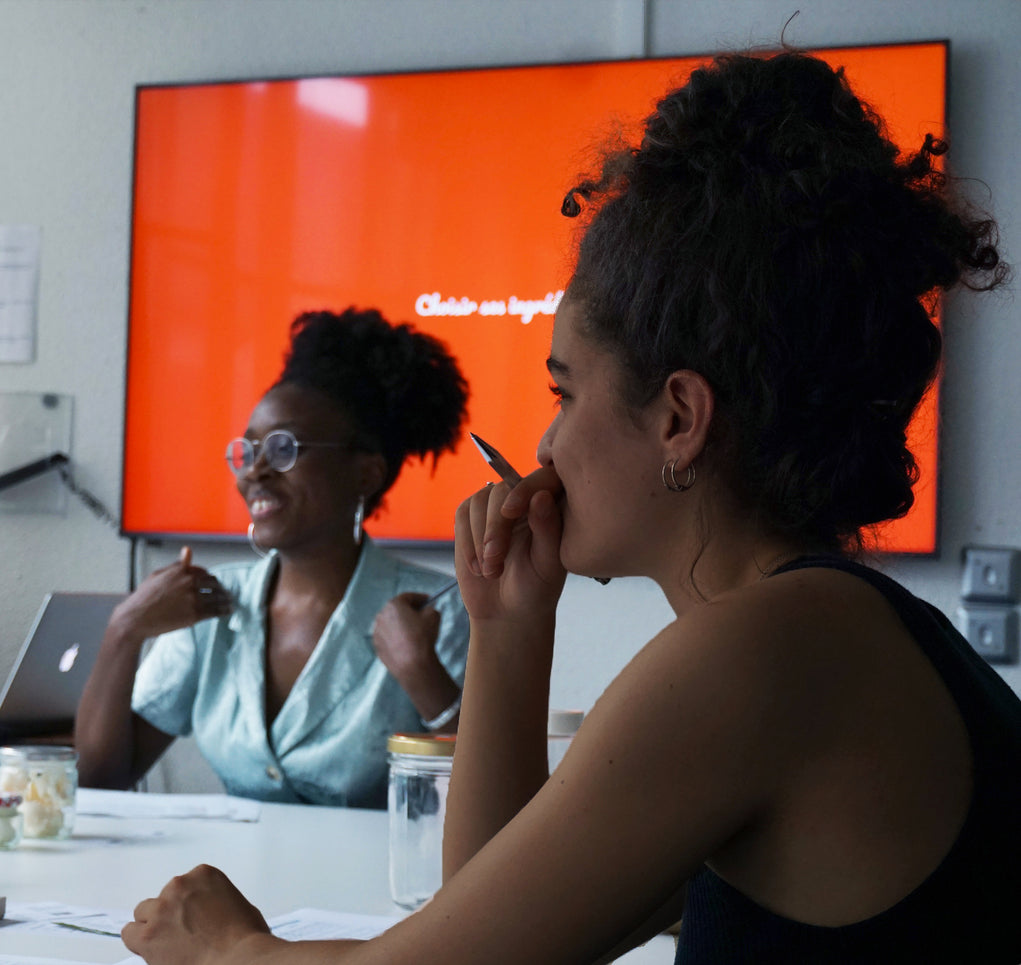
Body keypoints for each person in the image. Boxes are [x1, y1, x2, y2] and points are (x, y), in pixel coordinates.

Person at [118, 50, 1017, 964]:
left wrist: (225, 949)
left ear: (678, 418)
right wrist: (508, 626)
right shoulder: (818, 626)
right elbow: (494, 921)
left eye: (562, 393)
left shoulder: (757, 653)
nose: (544, 450)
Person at [76, 307, 472, 808]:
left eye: (284, 448)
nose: (254, 473)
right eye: (248, 450)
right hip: (230, 884)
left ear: (367, 474)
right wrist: (123, 632)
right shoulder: (210, 605)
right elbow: (98, 781)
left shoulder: (439, 610)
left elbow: (493, 800)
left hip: (375, 883)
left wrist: (423, 675)